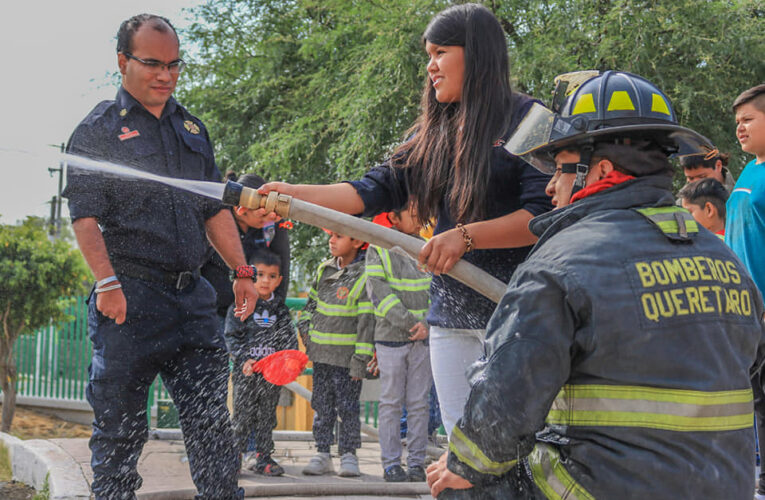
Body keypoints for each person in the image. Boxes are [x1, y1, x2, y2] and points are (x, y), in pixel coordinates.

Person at [426, 70, 765, 499]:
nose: (551, 185)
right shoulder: (724, 260)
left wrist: (462, 466)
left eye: (561, 168)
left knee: (464, 482)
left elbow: (506, 394)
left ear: (600, 169)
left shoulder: (560, 262)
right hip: (725, 488)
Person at [260, 3, 552, 436]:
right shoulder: (429, 134)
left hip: (517, 313)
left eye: (440, 53)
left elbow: (542, 215)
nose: (430, 67)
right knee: (462, 441)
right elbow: (367, 191)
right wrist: (292, 194)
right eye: (427, 56)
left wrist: (465, 238)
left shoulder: (532, 119)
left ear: (477, 54)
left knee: (516, 440)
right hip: (451, 319)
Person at [62, 14, 257, 499]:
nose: (165, 75)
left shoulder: (192, 128)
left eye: (174, 65)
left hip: (192, 300)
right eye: (153, 63)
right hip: (130, 298)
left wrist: (242, 272)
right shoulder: (99, 130)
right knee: (119, 436)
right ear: (123, 62)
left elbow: (213, 208)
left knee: (213, 428)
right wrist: (107, 284)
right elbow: (84, 217)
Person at [298, 231, 374, 477]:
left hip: (347, 360)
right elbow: (310, 305)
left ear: (357, 241)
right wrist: (305, 331)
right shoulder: (324, 269)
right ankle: (322, 453)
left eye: (339, 236)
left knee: (348, 408)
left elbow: (366, 322)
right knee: (322, 406)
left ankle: (349, 455)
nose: (332, 240)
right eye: (331, 235)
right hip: (321, 357)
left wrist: (360, 361)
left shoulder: (363, 275)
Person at [365, 205, 432, 483]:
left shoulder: (428, 246)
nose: (420, 216)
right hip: (392, 339)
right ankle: (391, 464)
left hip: (423, 338)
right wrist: (410, 323)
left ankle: (417, 463)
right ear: (394, 217)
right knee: (391, 402)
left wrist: (427, 323)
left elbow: (440, 288)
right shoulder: (377, 247)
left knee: (419, 403)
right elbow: (379, 292)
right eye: (413, 211)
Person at [724, 83, 765, 500]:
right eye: (737, 122)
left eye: (749, 119)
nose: (740, 129)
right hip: (740, 310)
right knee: (749, 400)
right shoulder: (750, 171)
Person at [225, 250, 296, 477]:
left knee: (267, 417)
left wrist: (290, 361)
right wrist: (244, 359)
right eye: (260, 275)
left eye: (271, 276)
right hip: (246, 375)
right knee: (242, 417)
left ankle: (263, 458)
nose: (265, 280)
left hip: (271, 377)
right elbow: (232, 337)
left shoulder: (281, 310)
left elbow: (289, 341)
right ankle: (234, 458)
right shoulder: (240, 306)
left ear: (279, 280)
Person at [202, 172, 290, 327]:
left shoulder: (272, 225)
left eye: (266, 211)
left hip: (256, 315)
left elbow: (282, 269)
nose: (266, 218)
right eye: (260, 214)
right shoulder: (218, 220)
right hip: (214, 312)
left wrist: (275, 311)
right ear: (240, 208)